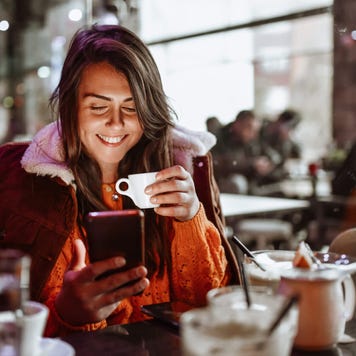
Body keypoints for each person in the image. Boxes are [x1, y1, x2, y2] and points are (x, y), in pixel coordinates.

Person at [0, 24, 239, 337]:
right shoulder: (22, 181)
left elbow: (207, 304)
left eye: (132, 107)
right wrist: (66, 315)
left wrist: (191, 219)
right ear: (70, 108)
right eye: (99, 106)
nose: (116, 123)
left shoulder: (180, 171)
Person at [212, 110, 275, 193]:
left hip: (251, 181)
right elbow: (221, 164)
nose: (254, 134)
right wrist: (252, 165)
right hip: (223, 182)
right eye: (250, 128)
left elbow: (270, 154)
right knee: (238, 182)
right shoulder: (219, 140)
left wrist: (267, 163)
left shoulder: (252, 140)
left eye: (256, 130)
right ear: (237, 124)